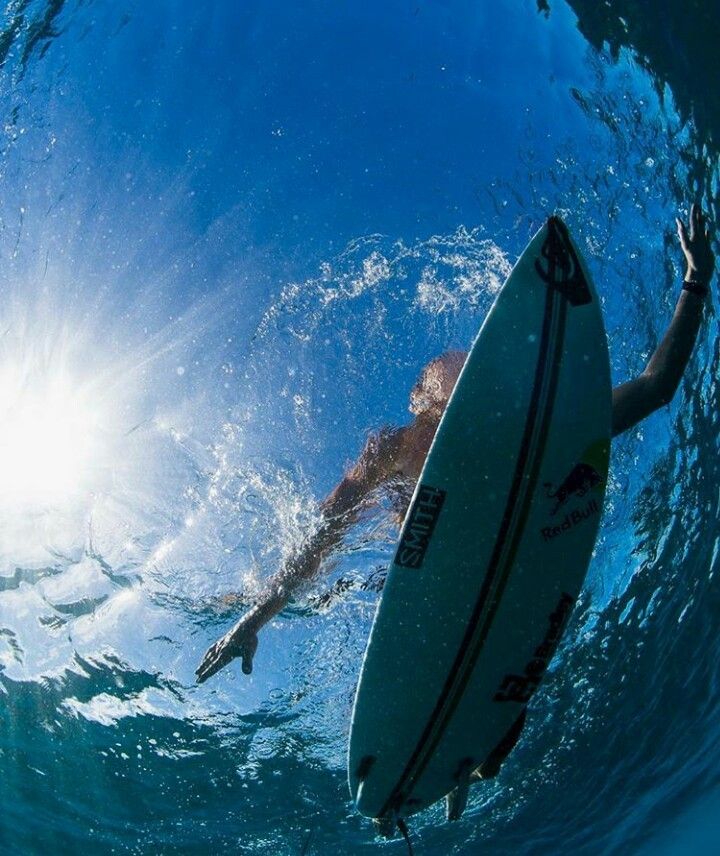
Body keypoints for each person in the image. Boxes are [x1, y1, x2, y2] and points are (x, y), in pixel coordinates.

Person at [196, 205, 714, 784]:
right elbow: (324, 533)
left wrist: (696, 281)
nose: (453, 372)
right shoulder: (394, 447)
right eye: (439, 378)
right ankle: (439, 766)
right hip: (429, 574)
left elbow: (654, 388)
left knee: (498, 730)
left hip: (514, 559)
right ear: (422, 398)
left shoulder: (539, 430)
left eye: (466, 370)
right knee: (350, 582)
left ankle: (475, 758)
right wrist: (256, 616)